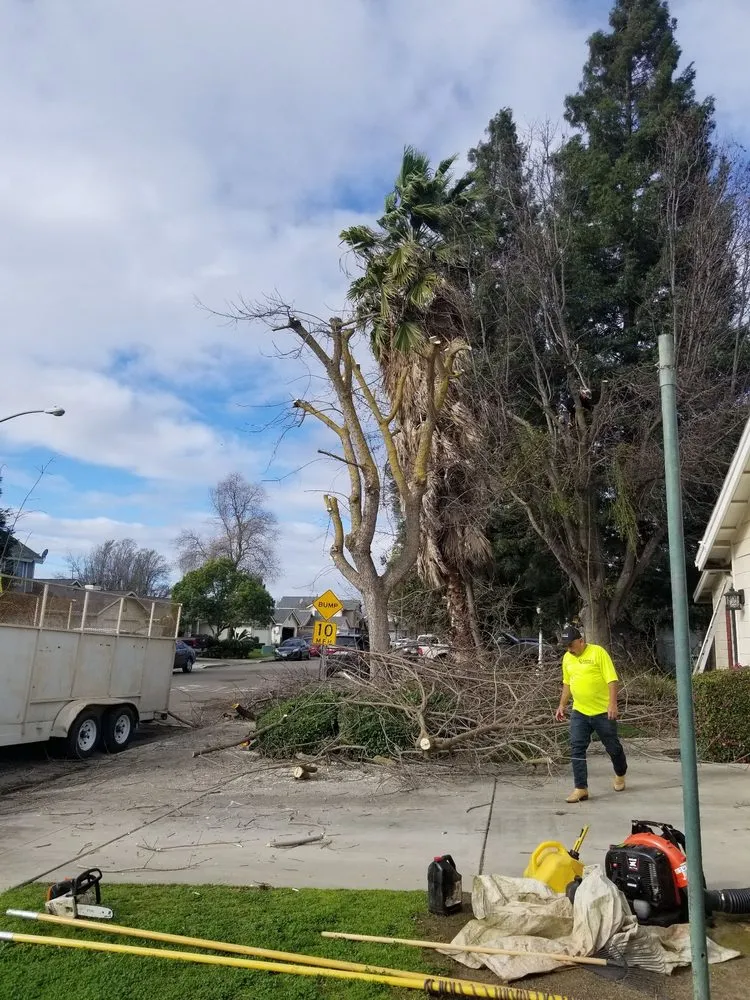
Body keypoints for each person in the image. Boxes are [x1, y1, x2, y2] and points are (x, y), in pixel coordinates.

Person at [554, 624, 627, 803]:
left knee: (613, 748)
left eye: (571, 645)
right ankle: (581, 788)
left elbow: (612, 680)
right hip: (580, 711)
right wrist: (562, 705)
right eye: (566, 646)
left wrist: (612, 704)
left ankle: (620, 773)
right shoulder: (567, 658)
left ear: (581, 641)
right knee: (576, 747)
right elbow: (567, 684)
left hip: (603, 712)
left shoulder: (598, 652)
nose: (569, 649)